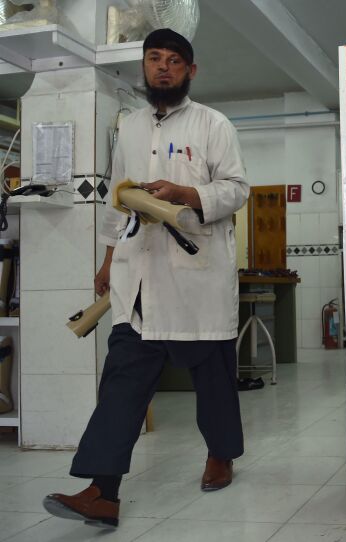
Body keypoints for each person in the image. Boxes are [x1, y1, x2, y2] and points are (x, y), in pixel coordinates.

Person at [41, 28, 249, 529]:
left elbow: (237, 188)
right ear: (144, 66)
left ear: (190, 70)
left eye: (173, 60)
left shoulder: (213, 124)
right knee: (122, 382)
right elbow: (119, 197)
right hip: (139, 277)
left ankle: (221, 454)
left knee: (213, 379)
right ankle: (102, 490)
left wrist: (186, 193)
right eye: (154, 58)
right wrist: (110, 259)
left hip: (197, 274)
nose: (162, 67)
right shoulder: (130, 127)